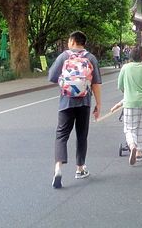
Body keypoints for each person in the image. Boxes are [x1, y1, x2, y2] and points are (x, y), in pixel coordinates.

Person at [49, 30, 102, 189]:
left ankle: (58, 168)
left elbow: (51, 76)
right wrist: (98, 104)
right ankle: (80, 168)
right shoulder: (90, 58)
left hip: (66, 102)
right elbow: (96, 84)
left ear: (72, 41)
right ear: (83, 43)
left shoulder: (64, 56)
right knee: (81, 135)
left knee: (61, 135)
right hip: (84, 103)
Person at [117, 45, 142, 166]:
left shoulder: (125, 67)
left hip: (129, 103)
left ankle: (132, 145)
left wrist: (128, 92)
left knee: (129, 129)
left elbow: (120, 86)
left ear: (131, 56)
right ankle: (138, 152)